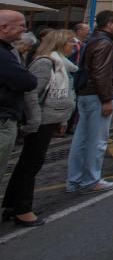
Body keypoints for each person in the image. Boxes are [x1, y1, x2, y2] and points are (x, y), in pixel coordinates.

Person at [3, 29, 77, 226]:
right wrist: (35, 120)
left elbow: (62, 96)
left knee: (28, 163)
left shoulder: (62, 64)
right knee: (31, 164)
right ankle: (22, 209)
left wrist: (62, 120)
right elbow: (31, 93)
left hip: (49, 119)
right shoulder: (46, 63)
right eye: (71, 41)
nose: (75, 45)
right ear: (60, 43)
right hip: (40, 122)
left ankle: (11, 204)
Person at [66, 10, 113, 194]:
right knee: (97, 139)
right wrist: (106, 99)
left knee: (81, 138)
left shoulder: (93, 40)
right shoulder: (104, 43)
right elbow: (101, 72)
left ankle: (74, 179)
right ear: (110, 24)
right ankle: (91, 179)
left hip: (85, 94)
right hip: (97, 95)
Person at [0, 11, 37, 179]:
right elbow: (27, 81)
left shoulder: (7, 51)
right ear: (4, 27)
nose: (25, 28)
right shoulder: (3, 54)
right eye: (21, 24)